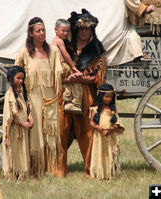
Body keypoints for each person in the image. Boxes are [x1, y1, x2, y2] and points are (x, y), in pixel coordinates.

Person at [58, 9, 107, 177]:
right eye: (82, 28)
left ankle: (91, 170)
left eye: (88, 28)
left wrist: (79, 79)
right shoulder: (65, 47)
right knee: (61, 132)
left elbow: (98, 78)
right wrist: (66, 80)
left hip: (87, 97)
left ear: (92, 29)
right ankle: (59, 170)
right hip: (65, 95)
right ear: (76, 30)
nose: (85, 31)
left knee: (87, 133)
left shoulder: (97, 51)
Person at [15, 17, 63, 177]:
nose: (42, 33)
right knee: (35, 132)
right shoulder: (24, 53)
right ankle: (35, 167)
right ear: (31, 33)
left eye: (43, 30)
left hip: (50, 99)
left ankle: (50, 167)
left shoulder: (54, 52)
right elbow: (16, 76)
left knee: (50, 131)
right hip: (33, 99)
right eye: (38, 31)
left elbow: (60, 73)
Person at [2, 65, 33, 180]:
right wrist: (22, 123)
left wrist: (30, 118)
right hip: (14, 130)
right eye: (18, 78)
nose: (20, 81)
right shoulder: (9, 95)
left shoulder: (22, 93)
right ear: (11, 78)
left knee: (22, 151)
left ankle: (22, 173)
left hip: (23, 128)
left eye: (22, 79)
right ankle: (14, 173)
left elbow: (28, 107)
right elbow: (9, 115)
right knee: (15, 151)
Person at [89, 83, 125, 180]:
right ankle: (98, 173)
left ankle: (109, 173)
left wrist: (110, 130)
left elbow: (117, 124)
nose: (108, 99)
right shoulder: (95, 110)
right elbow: (92, 123)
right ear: (101, 97)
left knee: (109, 153)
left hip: (109, 136)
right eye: (106, 97)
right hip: (99, 136)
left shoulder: (113, 111)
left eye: (110, 97)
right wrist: (99, 128)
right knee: (99, 152)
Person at [52, 19, 83, 114]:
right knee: (76, 81)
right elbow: (65, 55)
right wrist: (73, 67)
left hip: (58, 67)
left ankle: (68, 102)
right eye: (63, 31)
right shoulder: (59, 41)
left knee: (67, 84)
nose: (65, 33)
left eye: (67, 31)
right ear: (55, 30)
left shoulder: (53, 42)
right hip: (64, 66)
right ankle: (76, 102)